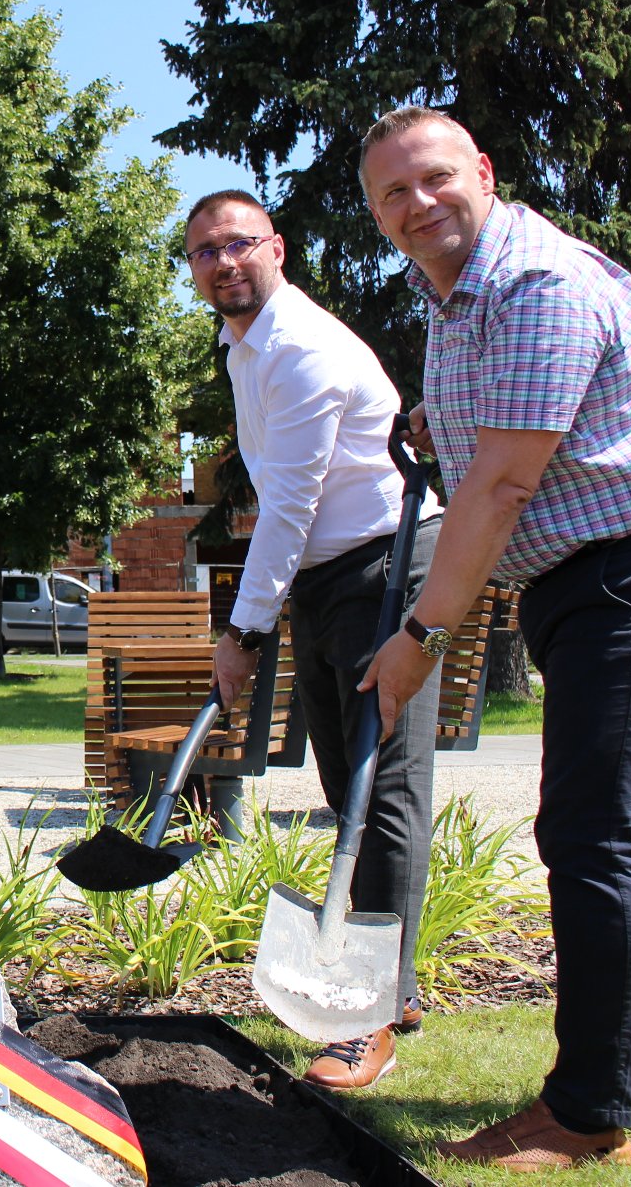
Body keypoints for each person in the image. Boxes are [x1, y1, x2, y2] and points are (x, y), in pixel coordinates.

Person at [356, 107, 631, 1172]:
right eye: (391, 197)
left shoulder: (535, 286)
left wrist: (422, 633)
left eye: (432, 180)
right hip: (589, 575)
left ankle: (586, 1111)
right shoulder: (451, 290)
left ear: (483, 172)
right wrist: (436, 425)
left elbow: (505, 483)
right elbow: (505, 435)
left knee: (588, 829)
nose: (416, 207)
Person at [186, 189, 443, 1091]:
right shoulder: (242, 346)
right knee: (346, 777)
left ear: (277, 248)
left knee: (387, 783)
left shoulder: (299, 350)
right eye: (206, 252)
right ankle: (392, 977)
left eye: (239, 244)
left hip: (386, 567)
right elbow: (289, 501)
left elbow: (288, 504)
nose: (225, 262)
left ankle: (370, 1015)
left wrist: (243, 632)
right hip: (329, 577)